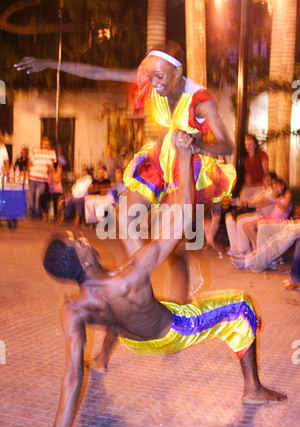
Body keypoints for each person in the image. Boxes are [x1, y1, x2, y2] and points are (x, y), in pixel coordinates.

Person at [35, 131, 286, 427]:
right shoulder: (133, 272)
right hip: (173, 331)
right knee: (242, 306)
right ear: (83, 260)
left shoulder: (73, 308)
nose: (85, 240)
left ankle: (100, 358)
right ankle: (253, 389)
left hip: (134, 340)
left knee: (121, 298)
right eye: (79, 243)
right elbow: (182, 216)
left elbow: (72, 375)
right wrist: (183, 156)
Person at [15, 43, 236, 300]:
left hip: (187, 167)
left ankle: (178, 299)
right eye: (150, 76)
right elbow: (98, 73)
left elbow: (227, 144)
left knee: (170, 246)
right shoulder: (153, 79)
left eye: (160, 77)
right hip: (158, 162)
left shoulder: (200, 100)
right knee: (123, 220)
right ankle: (140, 292)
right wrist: (51, 63)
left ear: (178, 71)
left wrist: (194, 142)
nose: (153, 83)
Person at [226, 172, 277, 257]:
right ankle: (235, 248)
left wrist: (244, 203)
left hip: (263, 217)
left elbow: (261, 203)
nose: (267, 182)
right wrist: (240, 202)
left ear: (273, 181)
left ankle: (244, 250)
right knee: (229, 219)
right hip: (256, 213)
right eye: (265, 180)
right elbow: (252, 199)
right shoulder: (262, 190)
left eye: (269, 180)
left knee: (240, 221)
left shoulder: (273, 192)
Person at [243, 177, 293, 252]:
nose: (276, 189)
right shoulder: (279, 195)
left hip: (280, 221)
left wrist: (275, 199)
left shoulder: (288, 194)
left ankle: (261, 251)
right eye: (274, 187)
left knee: (255, 227)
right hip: (272, 218)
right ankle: (256, 249)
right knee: (247, 225)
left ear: (283, 185)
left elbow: (283, 209)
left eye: (277, 186)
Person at [27, 136, 56, 219]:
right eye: (44, 142)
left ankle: (38, 214)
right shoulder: (34, 150)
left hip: (43, 179)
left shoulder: (52, 153)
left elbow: (52, 167)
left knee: (38, 197)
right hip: (32, 177)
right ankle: (31, 215)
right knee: (30, 197)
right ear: (42, 142)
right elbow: (30, 162)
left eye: (47, 143)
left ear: (49, 144)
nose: (45, 144)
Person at [243, 134, 269, 200]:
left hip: (260, 186)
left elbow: (266, 171)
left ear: (255, 144)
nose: (248, 147)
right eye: (246, 144)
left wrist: (266, 185)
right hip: (249, 186)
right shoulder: (245, 157)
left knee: (255, 202)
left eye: (250, 144)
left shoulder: (262, 155)